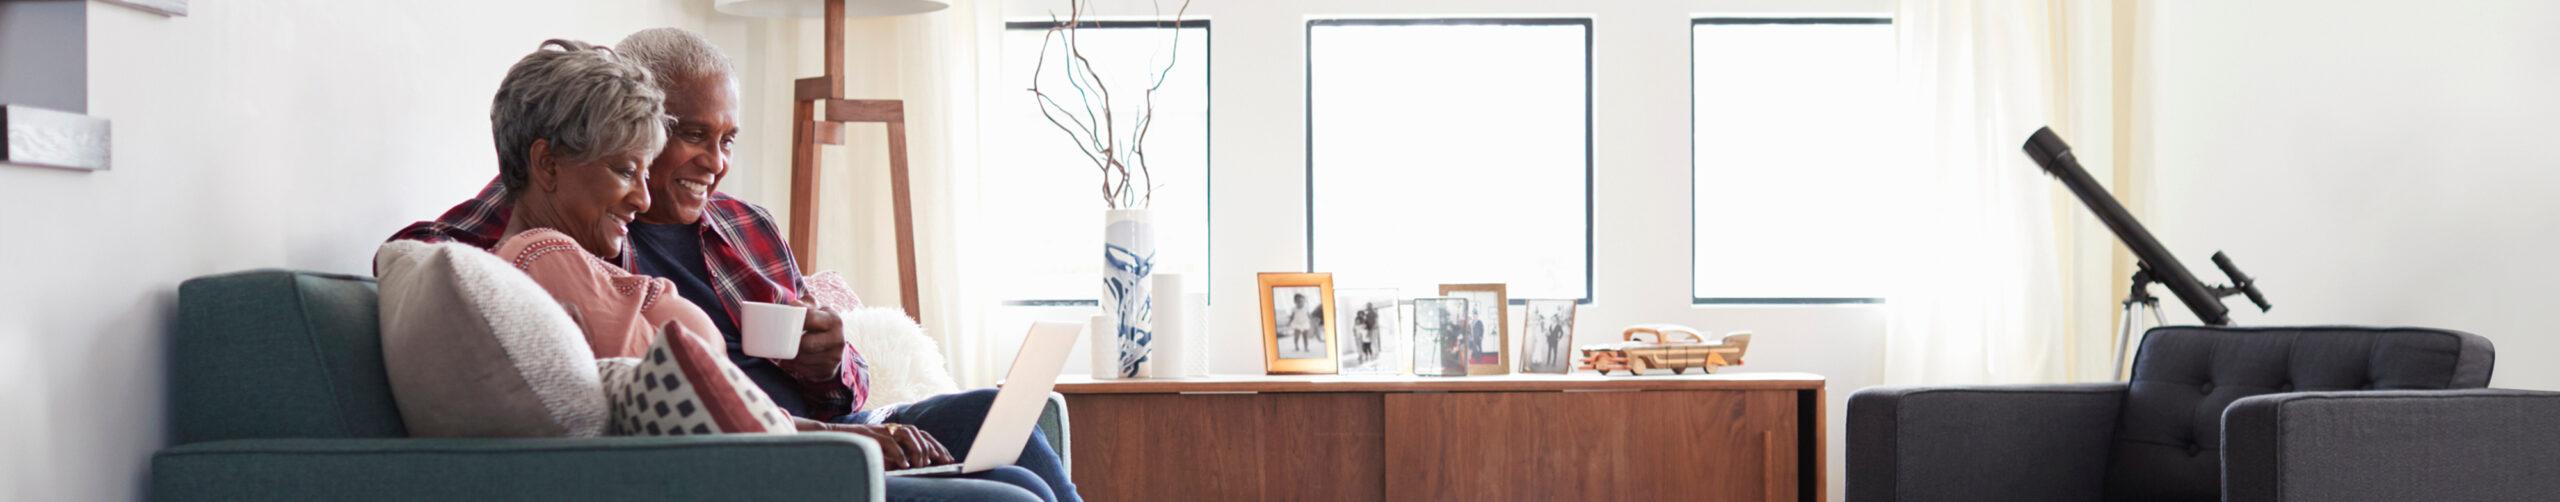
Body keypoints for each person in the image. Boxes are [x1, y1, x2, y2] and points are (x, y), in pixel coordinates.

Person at [394, 31, 1074, 502]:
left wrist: (829, 364)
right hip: (758, 452)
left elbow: (848, 394)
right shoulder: (575, 229)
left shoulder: (748, 226)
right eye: (692, 135)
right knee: (1009, 493)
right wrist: (572, 171)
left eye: (727, 140)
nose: (715, 163)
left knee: (993, 416)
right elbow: (440, 262)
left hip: (823, 428)